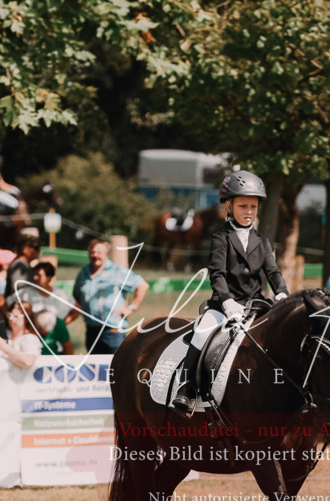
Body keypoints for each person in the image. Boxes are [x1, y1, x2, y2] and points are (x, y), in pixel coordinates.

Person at [171, 170, 289, 411]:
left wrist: (282, 293)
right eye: (243, 206)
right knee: (202, 332)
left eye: (253, 207)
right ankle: (187, 388)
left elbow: (273, 272)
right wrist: (226, 301)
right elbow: (217, 274)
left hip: (256, 305)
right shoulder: (220, 238)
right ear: (228, 205)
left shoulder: (263, 242)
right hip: (224, 306)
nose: (249, 212)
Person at [66, 238, 149, 354]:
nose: (95, 255)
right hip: (91, 331)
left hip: (112, 332)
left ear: (106, 254)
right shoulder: (83, 273)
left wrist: (132, 307)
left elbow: (142, 285)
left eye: (99, 252)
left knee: (115, 368)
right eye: (92, 252)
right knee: (95, 369)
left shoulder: (116, 271)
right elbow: (76, 297)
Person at [0, 300, 41, 368]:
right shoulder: (4, 335)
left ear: (26, 318)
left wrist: (4, 346)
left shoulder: (30, 339)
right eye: (9, 315)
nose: (10, 318)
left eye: (15, 316)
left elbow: (28, 361)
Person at [0, 233, 41, 315]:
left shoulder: (24, 265)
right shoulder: (19, 265)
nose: (38, 251)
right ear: (25, 249)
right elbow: (19, 293)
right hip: (20, 312)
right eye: (35, 247)